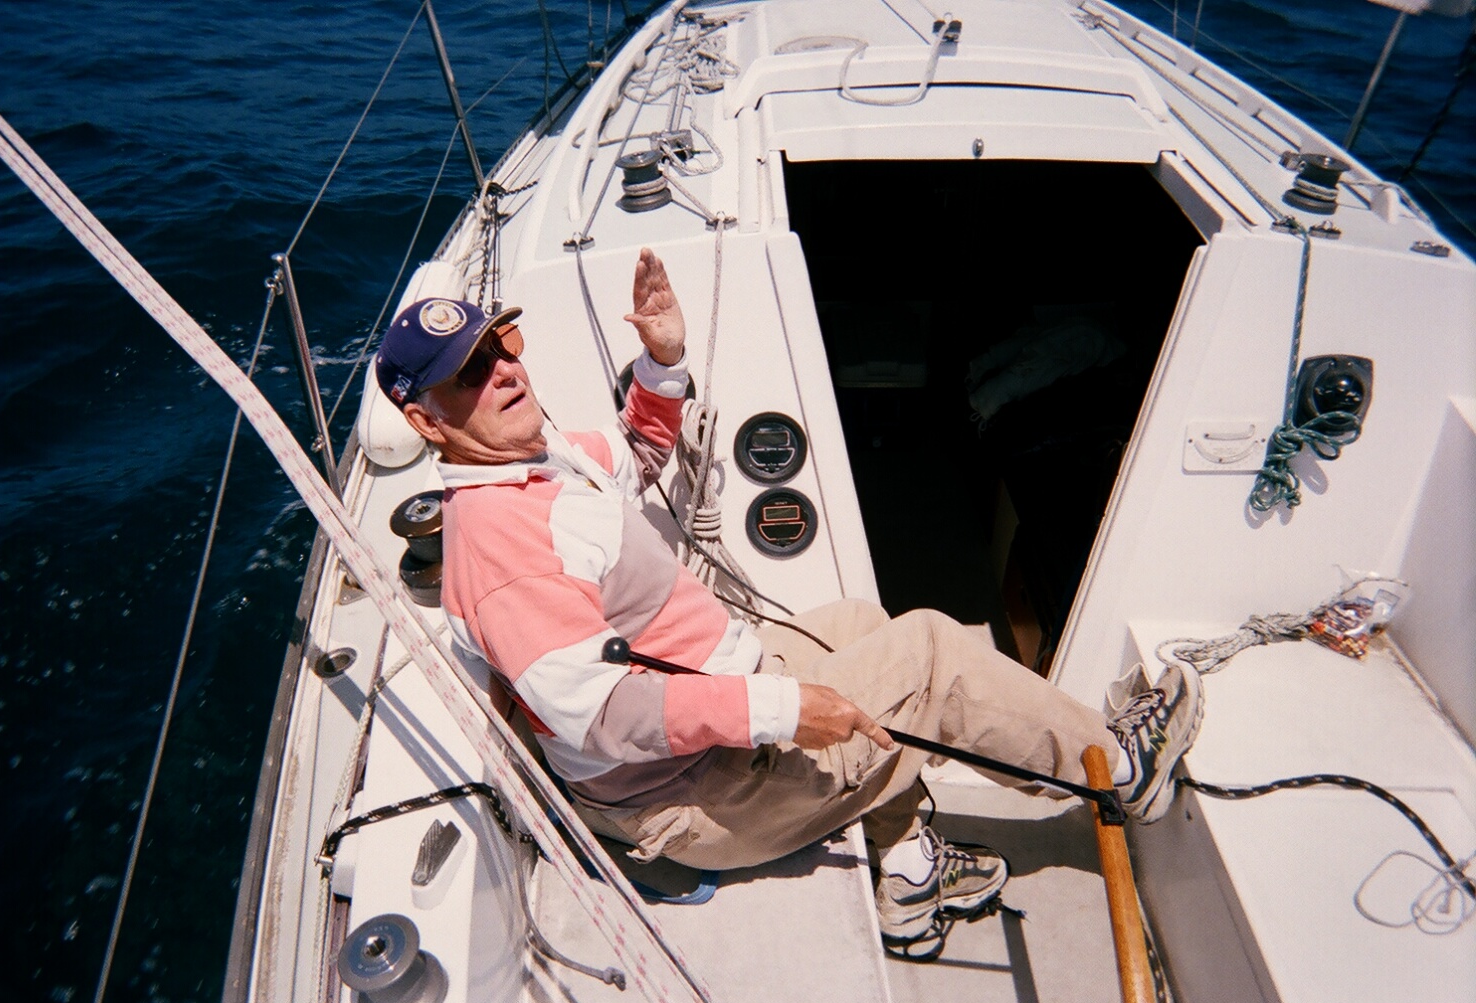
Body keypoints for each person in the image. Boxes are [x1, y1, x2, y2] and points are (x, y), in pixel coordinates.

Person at [376, 248, 1202, 949]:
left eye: (503, 345)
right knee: (932, 655)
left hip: (709, 691)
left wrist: (663, 360)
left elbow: (635, 452)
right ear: (425, 420)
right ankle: (1123, 769)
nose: (506, 373)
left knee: (860, 624)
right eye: (470, 375)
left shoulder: (538, 455)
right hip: (689, 791)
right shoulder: (504, 551)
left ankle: (911, 878)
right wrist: (779, 710)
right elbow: (610, 720)